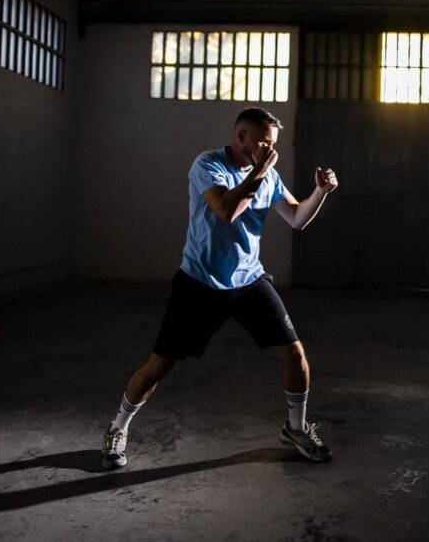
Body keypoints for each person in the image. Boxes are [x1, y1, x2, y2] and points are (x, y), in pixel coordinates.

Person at [101, 107, 338, 468]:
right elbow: (227, 210)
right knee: (158, 365)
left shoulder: (269, 175)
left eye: (273, 144)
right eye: (264, 142)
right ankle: (118, 427)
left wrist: (320, 192)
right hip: (199, 282)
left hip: (248, 280)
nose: (270, 151)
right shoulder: (207, 165)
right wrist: (259, 171)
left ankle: (296, 428)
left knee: (294, 353)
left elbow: (296, 218)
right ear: (242, 136)